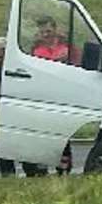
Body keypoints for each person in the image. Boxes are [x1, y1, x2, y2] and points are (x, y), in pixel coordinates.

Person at [30, 18, 75, 174]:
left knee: (63, 137)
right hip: (43, 96)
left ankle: (63, 170)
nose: (45, 35)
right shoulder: (35, 50)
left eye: (48, 31)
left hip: (63, 96)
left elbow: (78, 64)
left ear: (55, 30)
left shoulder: (67, 47)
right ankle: (42, 169)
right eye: (42, 32)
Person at [0, 37, 18, 177]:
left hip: (14, 111)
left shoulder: (7, 70)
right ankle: (8, 173)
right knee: (6, 146)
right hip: (6, 111)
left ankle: (30, 171)